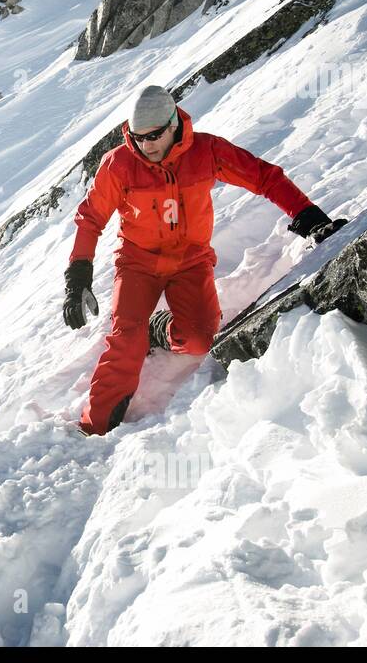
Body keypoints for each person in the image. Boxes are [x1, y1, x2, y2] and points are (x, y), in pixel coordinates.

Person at [62, 85, 347, 436]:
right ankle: (94, 429)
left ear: (173, 125)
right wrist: (78, 277)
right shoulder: (120, 164)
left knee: (199, 339)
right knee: (126, 341)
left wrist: (309, 216)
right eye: (137, 138)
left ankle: (160, 329)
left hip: (190, 261)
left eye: (153, 136)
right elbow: (90, 218)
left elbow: (262, 177)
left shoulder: (206, 151)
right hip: (137, 263)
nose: (145, 146)